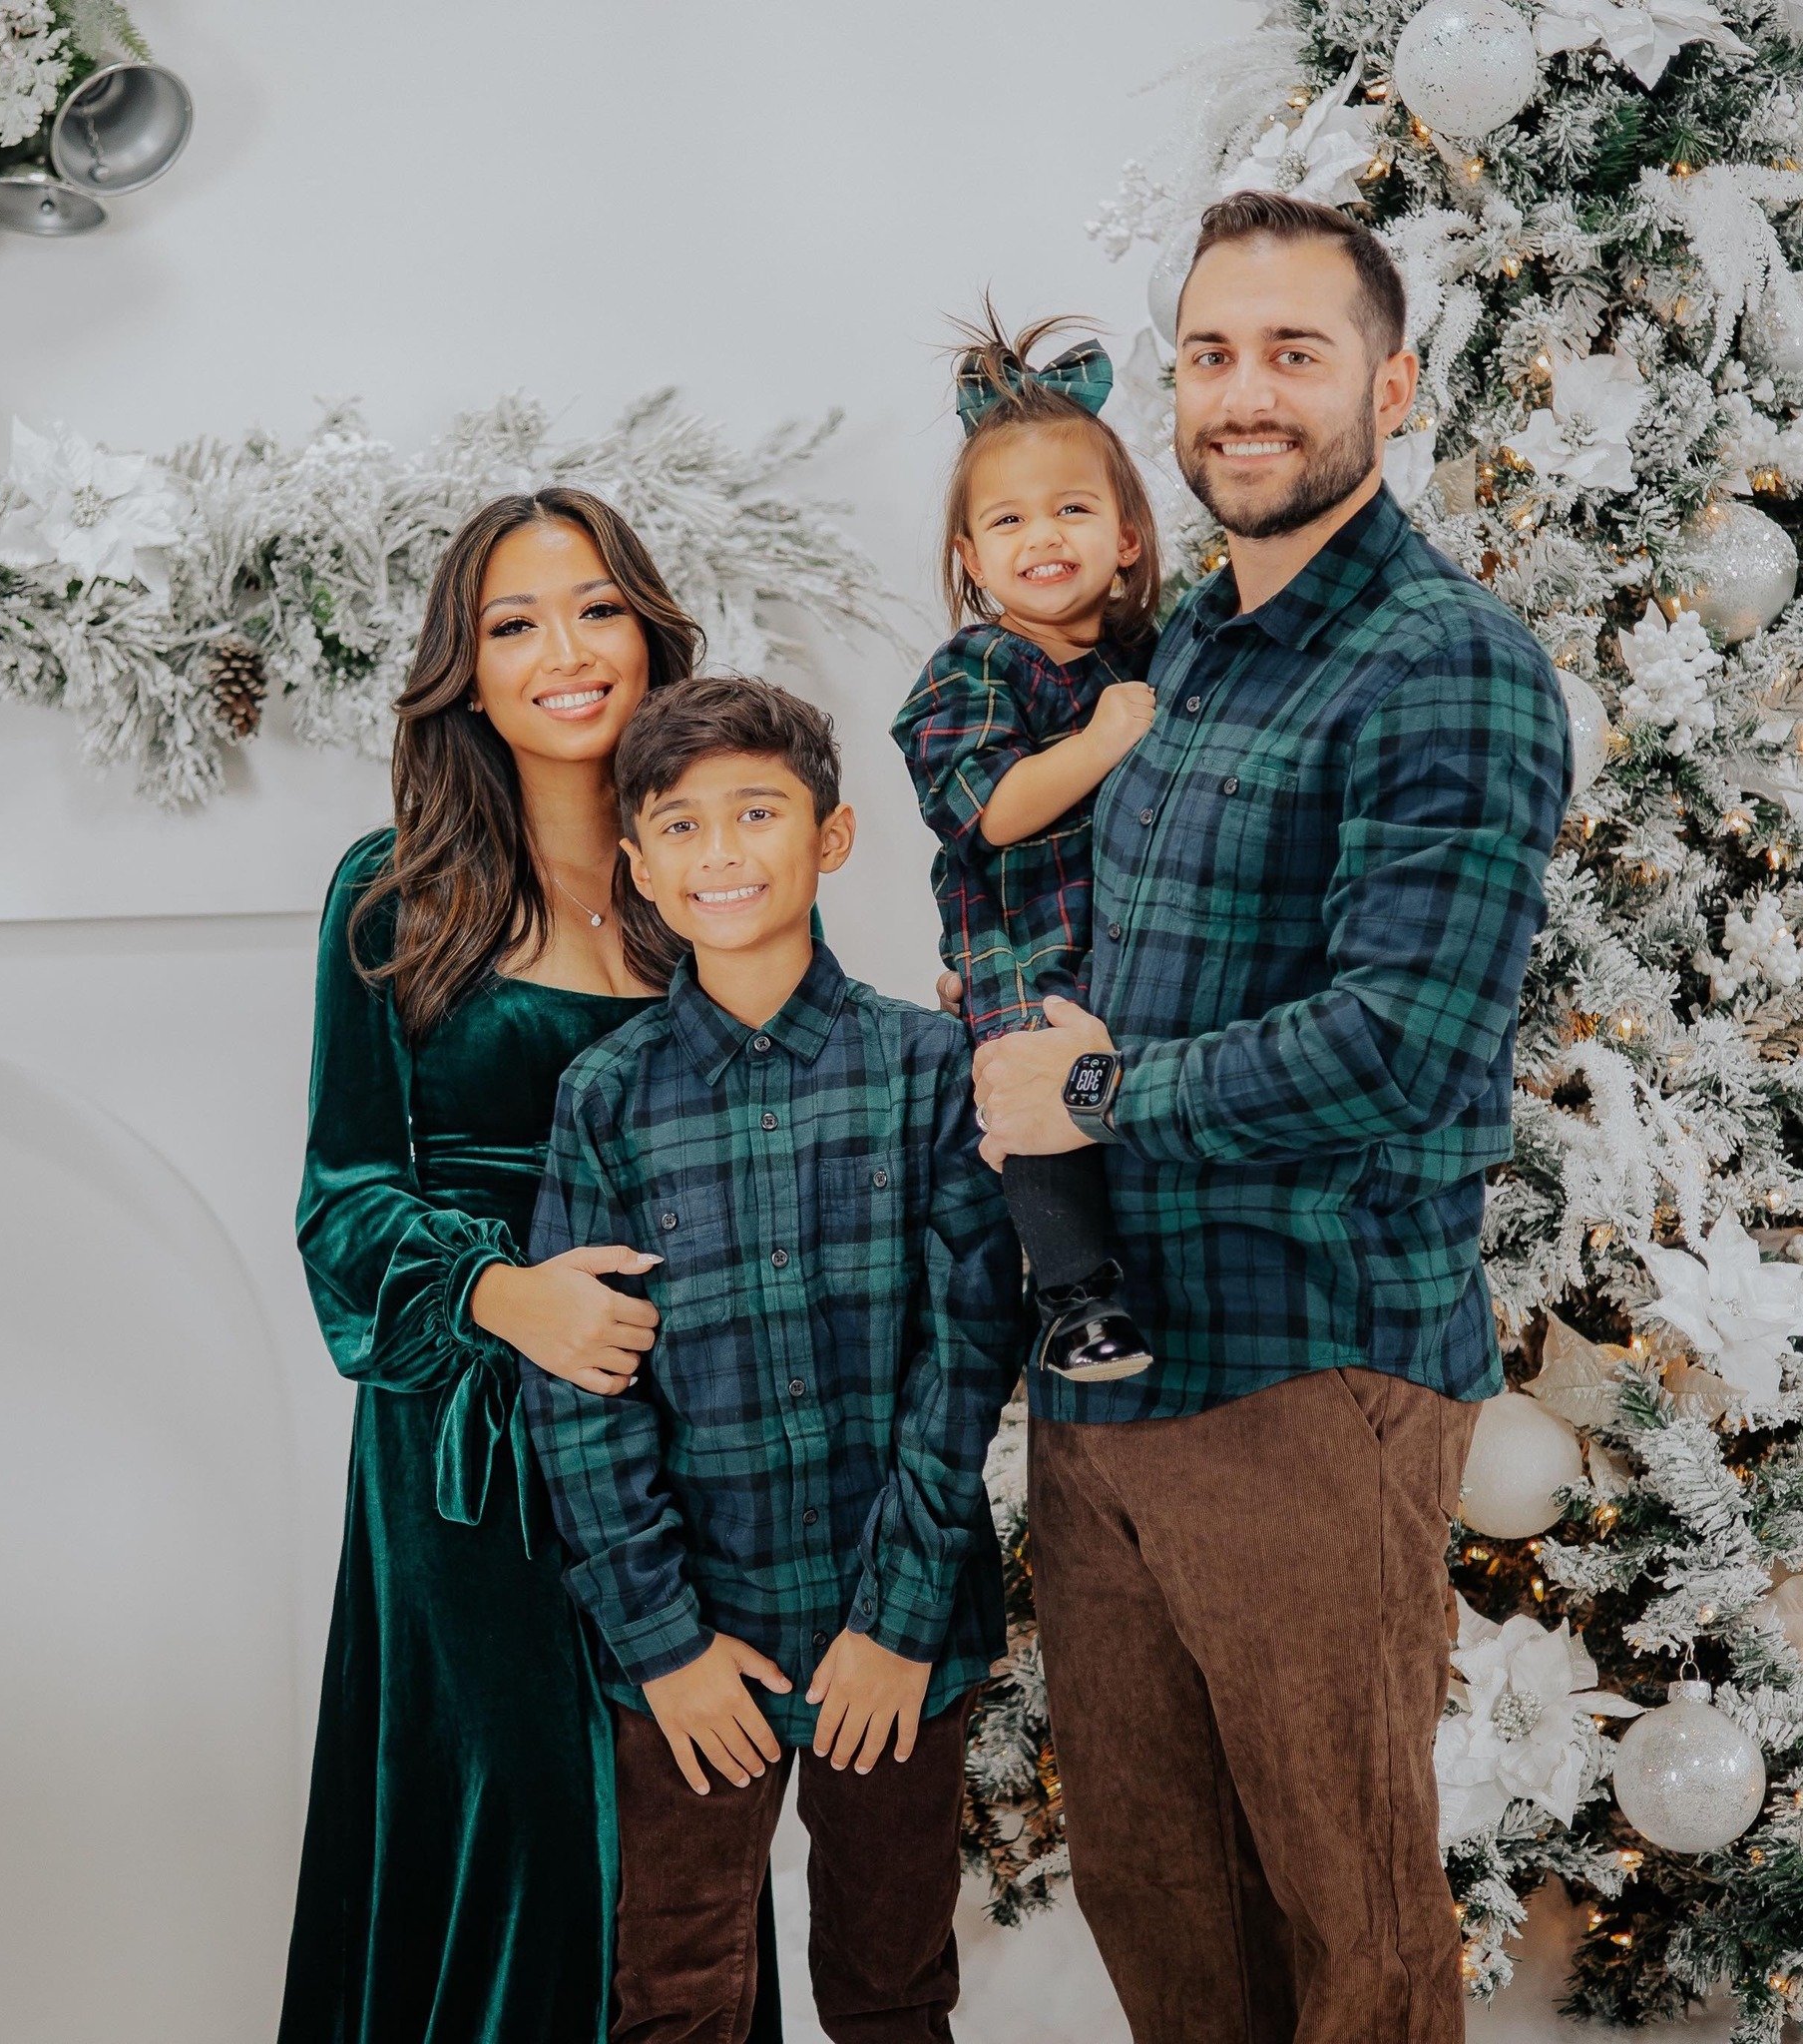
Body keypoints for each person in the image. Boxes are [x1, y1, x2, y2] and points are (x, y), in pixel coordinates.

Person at [968, 192, 1573, 2042]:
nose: (1243, 393)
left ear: (1390, 385)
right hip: (1112, 1383)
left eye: (1292, 353)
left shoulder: (1442, 660)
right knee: (1164, 1908)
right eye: (1211, 353)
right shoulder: (1201, 650)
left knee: (1345, 1924)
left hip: (1307, 1380)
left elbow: (1402, 1041)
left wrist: (1086, 1087)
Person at [278, 493, 784, 2044]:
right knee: (522, 1844)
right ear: (468, 671)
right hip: (467, 1469)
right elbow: (342, 1206)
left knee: (688, 1870)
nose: (563, 654)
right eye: (515, 625)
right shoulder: (394, 891)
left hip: (687, 1451)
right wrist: (512, 1294)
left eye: (597, 611)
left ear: (652, 636)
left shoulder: (714, 877)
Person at [521, 677, 1025, 2043]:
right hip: (697, 1647)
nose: (722, 854)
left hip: (896, 1644)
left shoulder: (928, 1068)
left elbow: (967, 1355)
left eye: (758, 814)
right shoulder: (606, 1100)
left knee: (890, 1988)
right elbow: (582, 1397)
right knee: (677, 1999)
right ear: (638, 866)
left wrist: (898, 1621)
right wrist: (665, 1644)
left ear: (833, 836)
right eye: (680, 828)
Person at [891, 305, 1161, 1379]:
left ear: (1125, 536)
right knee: (1037, 1102)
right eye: (1006, 523)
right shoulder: (973, 670)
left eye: (1069, 510)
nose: (1040, 537)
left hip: (1131, 946)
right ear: (969, 557)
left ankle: (1132, 1272)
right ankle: (1072, 1297)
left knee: (1121, 1107)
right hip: (1025, 949)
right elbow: (988, 808)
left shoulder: (1147, 653)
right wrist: (1100, 739)